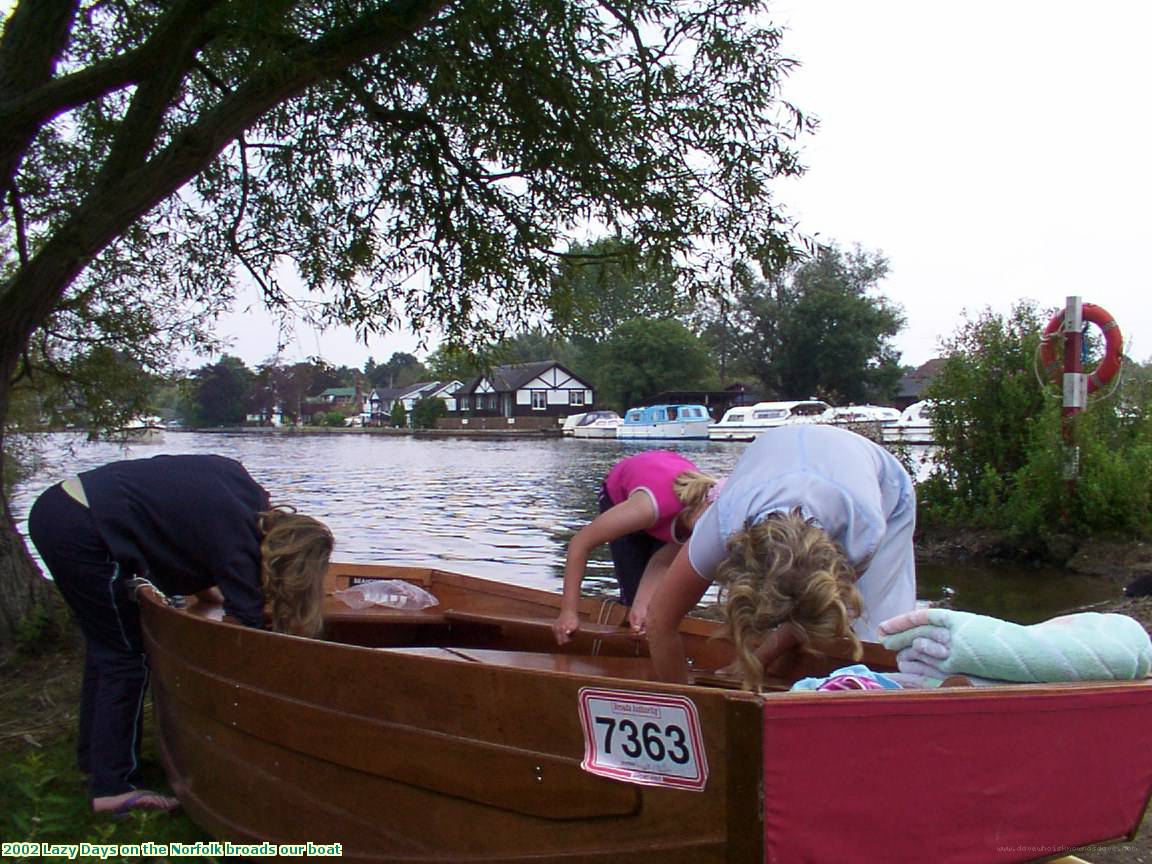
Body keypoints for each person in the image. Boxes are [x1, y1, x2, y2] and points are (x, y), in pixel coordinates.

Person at [27, 454, 334, 817]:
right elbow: (245, 628)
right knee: (128, 660)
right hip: (84, 528)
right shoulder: (240, 543)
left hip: (59, 509)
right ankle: (113, 788)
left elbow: (187, 527)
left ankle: (95, 761)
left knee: (108, 648)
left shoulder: (242, 492)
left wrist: (206, 595)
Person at [645, 424, 916, 689]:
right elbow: (659, 620)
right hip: (781, 457)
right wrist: (687, 709)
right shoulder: (720, 525)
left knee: (877, 630)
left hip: (883, 486)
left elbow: (819, 607)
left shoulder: (863, 534)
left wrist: (759, 660)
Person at [552, 450, 720, 644]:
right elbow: (580, 544)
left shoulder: (700, 529)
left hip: (667, 489)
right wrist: (568, 612)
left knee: (660, 602)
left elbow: (661, 563)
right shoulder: (648, 508)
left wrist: (643, 605)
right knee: (632, 582)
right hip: (625, 494)